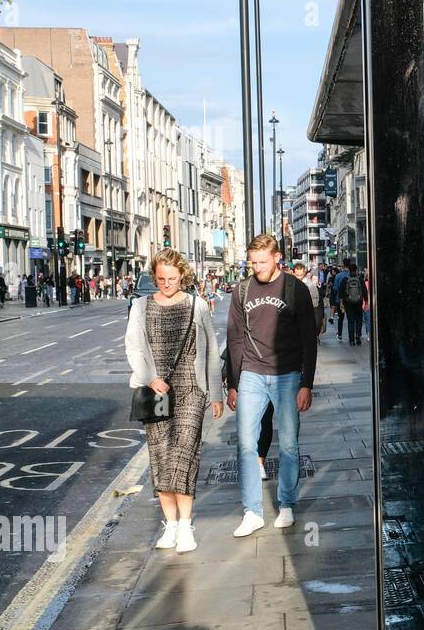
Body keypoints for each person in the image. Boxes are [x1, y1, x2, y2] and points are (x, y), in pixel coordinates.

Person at [125, 248, 224, 554]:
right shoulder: (140, 306)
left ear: (182, 274)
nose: (166, 284)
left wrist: (216, 393)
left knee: (183, 453)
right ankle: (170, 526)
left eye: (171, 278)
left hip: (191, 389)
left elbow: (210, 352)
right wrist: (149, 377)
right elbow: (133, 348)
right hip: (156, 392)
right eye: (160, 278)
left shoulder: (197, 306)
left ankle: (185, 526)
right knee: (161, 457)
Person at [225, 233, 319, 536]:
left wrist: (307, 383)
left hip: (288, 374)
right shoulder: (242, 290)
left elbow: (309, 339)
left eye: (262, 262)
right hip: (251, 374)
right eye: (253, 262)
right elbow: (235, 337)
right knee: (245, 444)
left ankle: (287, 504)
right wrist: (232, 383)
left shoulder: (296, 289)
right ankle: (252, 511)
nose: (257, 267)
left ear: (277, 257)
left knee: (289, 444)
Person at [293, 262, 324, 341]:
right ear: (293, 272)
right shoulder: (290, 282)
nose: (299, 277)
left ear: (304, 272)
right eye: (297, 275)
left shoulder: (310, 284)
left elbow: (315, 300)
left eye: (301, 275)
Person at [340, 261, 365, 346]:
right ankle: (358, 335)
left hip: (348, 303)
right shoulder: (360, 280)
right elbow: (364, 292)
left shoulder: (345, 280)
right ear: (356, 270)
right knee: (359, 320)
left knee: (350, 321)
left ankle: (351, 340)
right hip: (358, 302)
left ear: (349, 270)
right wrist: (367, 302)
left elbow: (341, 293)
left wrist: (341, 303)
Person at [331, 261, 351, 341]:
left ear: (343, 266)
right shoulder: (351, 275)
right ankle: (352, 335)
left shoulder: (338, 276)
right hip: (350, 299)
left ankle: (339, 334)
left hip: (340, 300)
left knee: (341, 318)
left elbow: (335, 288)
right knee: (351, 318)